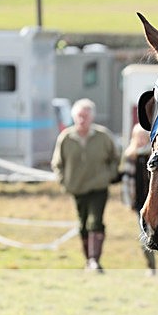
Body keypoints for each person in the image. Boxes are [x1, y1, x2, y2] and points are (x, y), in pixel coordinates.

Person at [52, 98, 120, 272]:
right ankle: (87, 260)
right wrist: (64, 181)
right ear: (74, 117)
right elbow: (57, 163)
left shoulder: (103, 136)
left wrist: (109, 175)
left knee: (95, 222)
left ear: (92, 117)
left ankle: (94, 260)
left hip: (99, 187)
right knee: (82, 225)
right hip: (76, 187)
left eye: (86, 116)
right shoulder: (66, 138)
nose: (82, 119)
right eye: (80, 116)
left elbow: (115, 158)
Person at [119, 123, 158, 276]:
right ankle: (151, 267)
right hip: (139, 203)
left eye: (143, 136)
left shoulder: (155, 155)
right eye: (138, 137)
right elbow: (126, 180)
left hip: (156, 201)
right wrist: (129, 201)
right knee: (145, 235)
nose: (141, 140)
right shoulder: (130, 157)